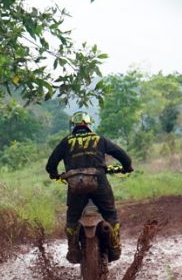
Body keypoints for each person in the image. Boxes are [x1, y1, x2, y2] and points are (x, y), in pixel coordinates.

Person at [46, 111, 133, 264]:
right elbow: (123, 155)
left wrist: (54, 174)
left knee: (72, 218)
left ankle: (73, 248)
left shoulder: (66, 141)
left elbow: (50, 164)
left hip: (75, 186)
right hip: (99, 182)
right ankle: (115, 246)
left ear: (73, 127)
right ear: (89, 126)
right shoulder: (99, 139)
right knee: (110, 214)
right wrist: (126, 166)